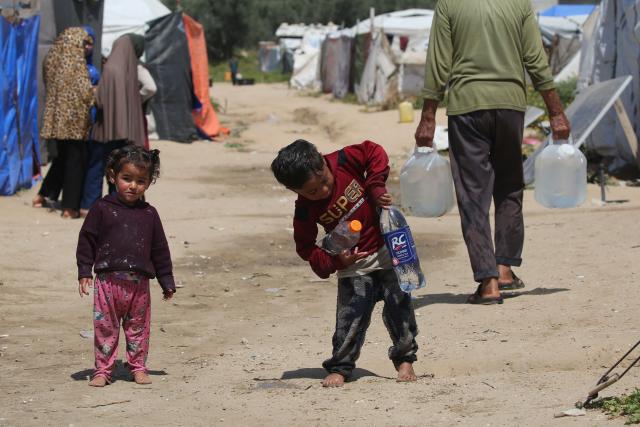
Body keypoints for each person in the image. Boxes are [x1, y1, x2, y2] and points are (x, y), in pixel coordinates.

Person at [415, 0, 571, 304]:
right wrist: (556, 112)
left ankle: (489, 282)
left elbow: (438, 62)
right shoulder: (519, 4)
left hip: (467, 106)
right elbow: (535, 60)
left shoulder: (449, 5)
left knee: (473, 194)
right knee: (510, 186)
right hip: (511, 105)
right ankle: (504, 269)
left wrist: (428, 115)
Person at [271, 139, 419, 387]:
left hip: (388, 252)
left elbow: (375, 151)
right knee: (349, 321)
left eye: (325, 182)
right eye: (312, 192)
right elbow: (305, 247)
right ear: (293, 190)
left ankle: (405, 360)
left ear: (323, 162)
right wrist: (334, 260)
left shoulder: (343, 160)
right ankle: (340, 368)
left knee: (400, 311)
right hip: (353, 265)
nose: (323, 192)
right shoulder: (305, 210)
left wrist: (375, 186)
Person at [76, 145, 176, 387]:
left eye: (141, 181)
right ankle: (103, 370)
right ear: (113, 176)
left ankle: (138, 367)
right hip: (107, 283)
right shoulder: (101, 208)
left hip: (138, 285)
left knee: (138, 330)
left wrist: (166, 281)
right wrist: (83, 272)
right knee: (105, 329)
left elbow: (160, 250)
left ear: (149, 183)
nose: (133, 186)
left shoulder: (150, 214)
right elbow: (87, 240)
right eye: (127, 178)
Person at [33, 27, 95, 218]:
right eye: (87, 43)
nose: (90, 47)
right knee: (76, 162)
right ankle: (69, 208)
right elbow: (85, 92)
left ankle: (42, 195)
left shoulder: (52, 56)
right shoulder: (75, 61)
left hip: (55, 118)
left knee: (62, 158)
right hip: (75, 120)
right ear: (78, 42)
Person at [80, 34, 147, 214]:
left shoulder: (110, 68)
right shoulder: (129, 69)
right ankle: (118, 206)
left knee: (97, 168)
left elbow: (100, 101)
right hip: (125, 131)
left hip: (105, 129)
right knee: (120, 169)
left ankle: (89, 205)